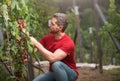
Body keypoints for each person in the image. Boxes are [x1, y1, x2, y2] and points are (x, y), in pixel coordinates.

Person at [18, 13, 79, 81]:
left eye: (52, 24)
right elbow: (33, 49)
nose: (49, 25)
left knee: (56, 64)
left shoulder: (68, 42)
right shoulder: (48, 38)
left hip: (70, 74)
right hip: (54, 73)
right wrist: (24, 33)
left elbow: (52, 58)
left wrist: (35, 43)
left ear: (60, 27)